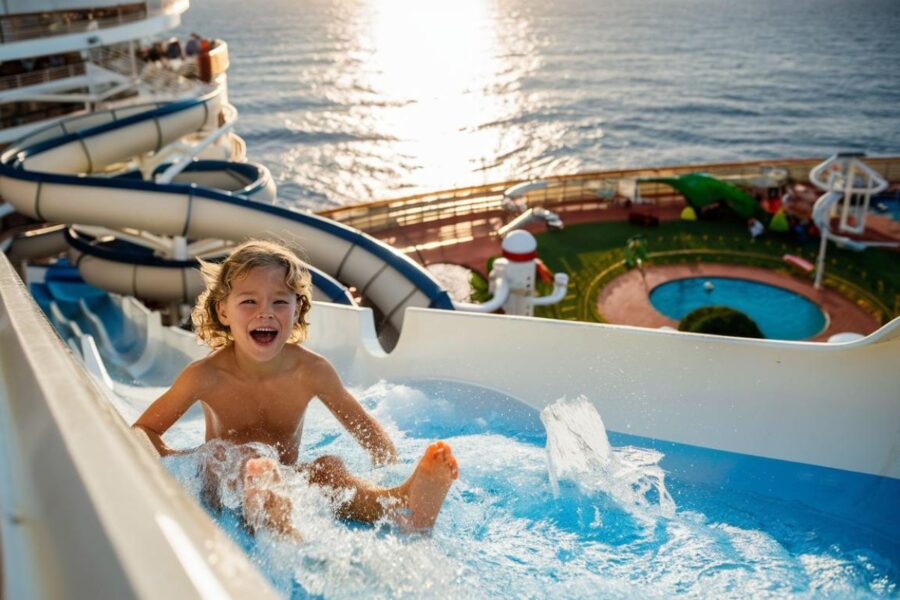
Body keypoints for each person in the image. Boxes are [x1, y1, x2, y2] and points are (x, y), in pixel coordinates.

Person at [133, 240, 458, 538]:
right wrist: (186, 462)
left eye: (279, 301)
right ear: (223, 312)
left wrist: (387, 463)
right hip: (223, 491)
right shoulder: (205, 376)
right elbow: (144, 431)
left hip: (283, 480)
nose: (266, 312)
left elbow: (365, 429)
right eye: (249, 301)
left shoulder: (311, 371)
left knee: (327, 469)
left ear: (298, 309)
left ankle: (401, 504)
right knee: (239, 459)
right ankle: (282, 524)